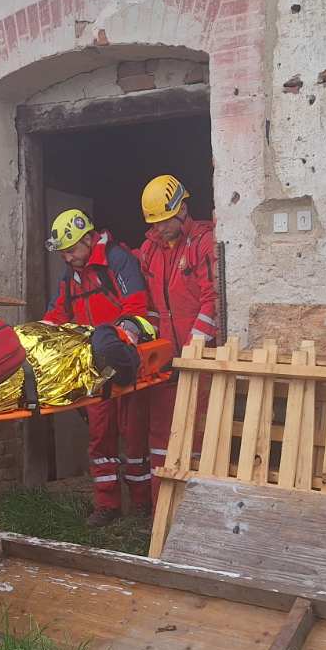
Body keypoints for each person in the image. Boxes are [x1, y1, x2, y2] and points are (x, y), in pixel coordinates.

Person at [41, 208, 153, 526]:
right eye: (63, 252)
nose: (68, 258)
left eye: (73, 249)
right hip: (93, 366)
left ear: (89, 239)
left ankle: (143, 503)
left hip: (125, 359)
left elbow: (136, 308)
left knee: (134, 435)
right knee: (100, 435)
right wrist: (40, 339)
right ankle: (107, 505)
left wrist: (116, 343)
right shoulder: (71, 273)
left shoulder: (117, 261)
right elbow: (56, 315)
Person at [136, 174, 218, 503]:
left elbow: (212, 301)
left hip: (196, 358)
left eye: (165, 221)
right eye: (154, 223)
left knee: (198, 433)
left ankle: (195, 509)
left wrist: (192, 352)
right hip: (164, 362)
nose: (160, 229)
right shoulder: (149, 250)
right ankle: (161, 509)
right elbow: (151, 307)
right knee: (159, 434)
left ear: (182, 208)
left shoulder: (203, 243)